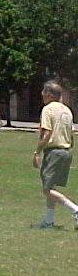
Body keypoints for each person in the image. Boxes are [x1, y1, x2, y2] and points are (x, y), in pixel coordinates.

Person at [32, 81, 78, 230]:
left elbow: (46, 133)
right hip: (66, 151)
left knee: (47, 189)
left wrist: (37, 152)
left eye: (44, 92)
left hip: (54, 151)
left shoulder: (48, 109)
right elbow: (72, 135)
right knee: (51, 187)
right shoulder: (67, 110)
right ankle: (49, 221)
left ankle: (75, 209)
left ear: (49, 94)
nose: (41, 95)